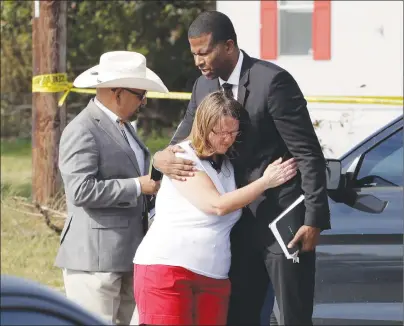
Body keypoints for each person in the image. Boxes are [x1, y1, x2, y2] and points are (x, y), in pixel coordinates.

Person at [152, 11, 331, 326]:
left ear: (229, 46)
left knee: (293, 316)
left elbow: (308, 153)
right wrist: (158, 159)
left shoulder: (272, 82)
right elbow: (182, 142)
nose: (198, 61)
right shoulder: (202, 88)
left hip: (282, 222)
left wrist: (314, 218)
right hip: (234, 226)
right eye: (193, 54)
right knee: (238, 315)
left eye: (204, 52)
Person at [133, 91, 297, 326]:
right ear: (202, 126)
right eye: (220, 132)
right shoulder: (182, 157)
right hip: (168, 269)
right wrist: (266, 181)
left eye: (233, 132)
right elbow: (217, 205)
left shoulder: (227, 163)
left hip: (213, 276)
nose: (227, 139)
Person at [55, 51, 168, 325]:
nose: (144, 102)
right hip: (94, 261)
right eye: (140, 94)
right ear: (117, 93)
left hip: (127, 254)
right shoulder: (81, 129)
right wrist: (136, 186)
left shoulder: (124, 127)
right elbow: (80, 190)